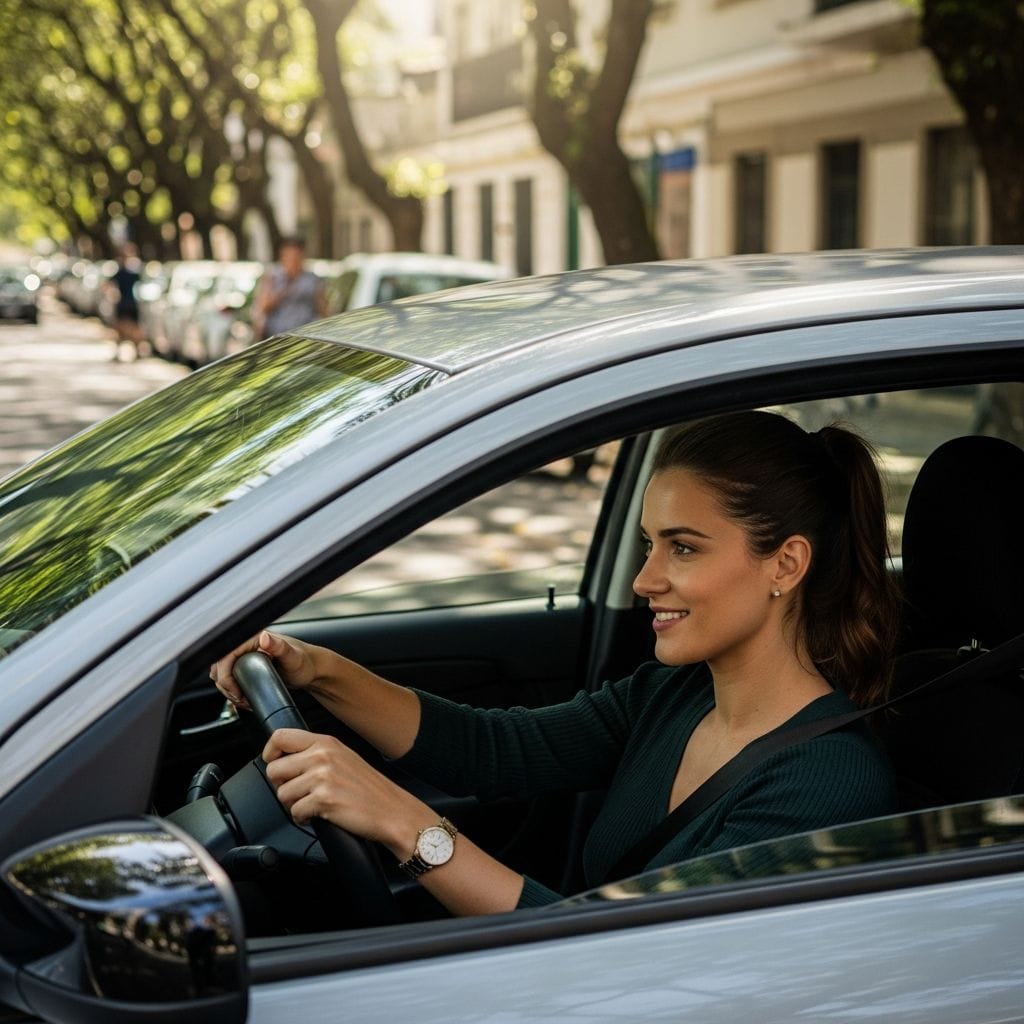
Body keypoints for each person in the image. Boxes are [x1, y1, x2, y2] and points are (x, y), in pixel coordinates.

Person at [212, 410, 900, 915]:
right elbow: (495, 750)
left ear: (786, 564)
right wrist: (316, 669)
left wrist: (404, 824)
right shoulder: (675, 695)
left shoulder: (829, 784)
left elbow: (629, 962)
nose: (644, 578)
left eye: (683, 548)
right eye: (649, 543)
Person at [252, 237, 327, 340]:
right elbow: (263, 306)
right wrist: (288, 285)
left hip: (305, 336)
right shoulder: (272, 277)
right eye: (289, 257)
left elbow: (323, 308)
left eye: (296, 257)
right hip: (277, 336)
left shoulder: (312, 279)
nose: (292, 261)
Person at [109, 244, 144, 361]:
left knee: (124, 330)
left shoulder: (125, 271)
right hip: (128, 303)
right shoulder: (130, 271)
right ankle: (135, 352)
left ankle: (133, 352)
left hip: (126, 303)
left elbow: (109, 286)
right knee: (125, 330)